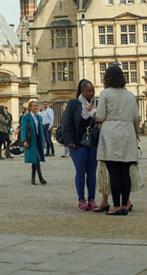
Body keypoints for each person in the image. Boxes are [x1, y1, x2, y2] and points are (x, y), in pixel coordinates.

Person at [95, 64, 140, 215]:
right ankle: (125, 205)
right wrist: (136, 132)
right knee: (125, 171)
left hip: (111, 133)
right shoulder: (130, 95)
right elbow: (136, 117)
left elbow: (100, 116)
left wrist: (92, 111)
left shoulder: (105, 93)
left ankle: (116, 206)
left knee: (114, 172)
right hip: (127, 132)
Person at [60, 79, 98, 210]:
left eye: (93, 90)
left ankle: (92, 199)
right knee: (81, 172)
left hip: (92, 143)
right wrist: (68, 141)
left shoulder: (96, 104)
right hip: (77, 143)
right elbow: (66, 123)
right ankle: (81, 199)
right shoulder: (73, 103)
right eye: (89, 91)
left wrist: (94, 111)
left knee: (92, 172)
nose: (91, 93)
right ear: (81, 91)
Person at [20, 100, 47, 185]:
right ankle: (40, 177)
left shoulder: (39, 117)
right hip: (31, 140)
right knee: (37, 158)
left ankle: (33, 178)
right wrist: (24, 140)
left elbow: (40, 129)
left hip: (38, 140)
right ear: (30, 107)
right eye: (34, 106)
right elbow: (23, 129)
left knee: (34, 160)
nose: (36, 107)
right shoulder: (26, 117)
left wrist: (43, 140)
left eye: (36, 105)